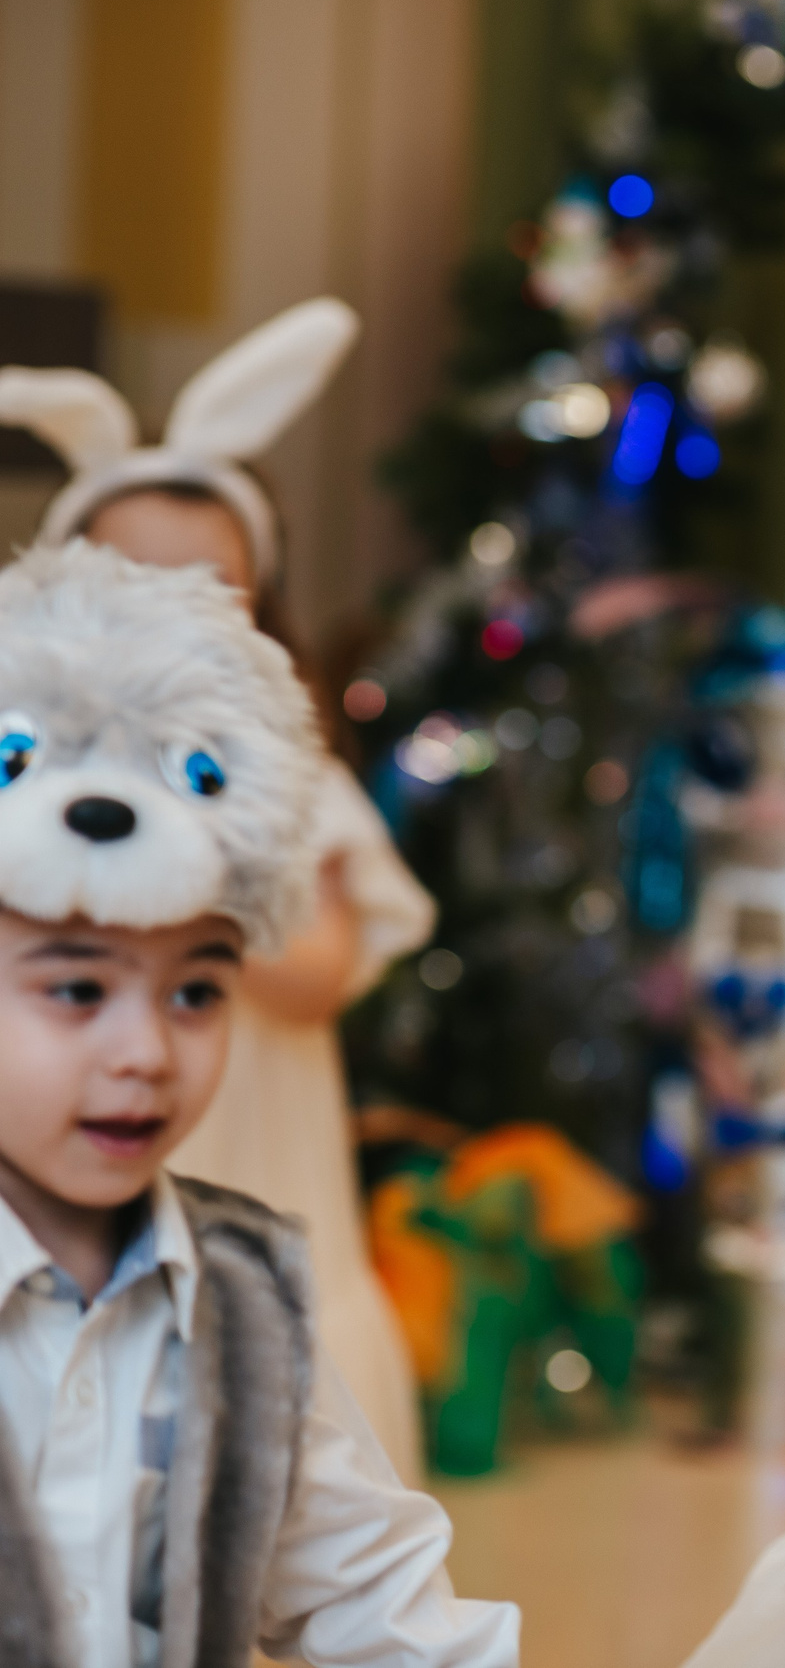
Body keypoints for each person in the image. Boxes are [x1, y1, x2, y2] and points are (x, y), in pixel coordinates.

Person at [0, 540, 513, 1666]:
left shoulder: (241, 1299)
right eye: (76, 990)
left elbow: (379, 1599)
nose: (144, 1052)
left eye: (195, 992)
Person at [0, 298, 437, 1481]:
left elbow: (321, 977)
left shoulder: (293, 779)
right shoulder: (24, 776)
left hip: (251, 1143)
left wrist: (203, 892)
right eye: (136, 579)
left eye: (212, 589)